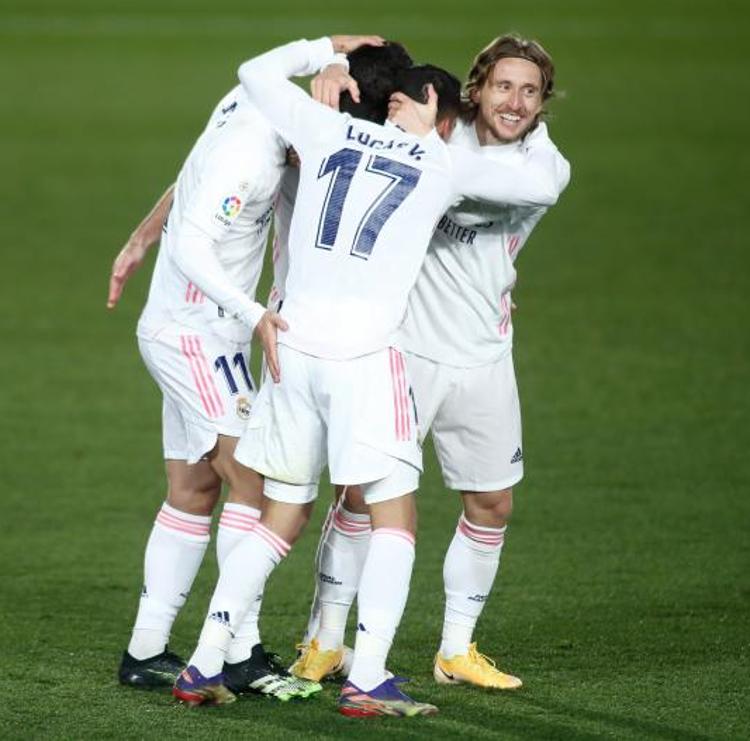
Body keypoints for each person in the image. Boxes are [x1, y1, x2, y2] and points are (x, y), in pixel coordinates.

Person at [173, 35, 566, 718]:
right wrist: (427, 136)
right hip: (365, 358)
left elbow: (252, 72)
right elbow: (528, 183)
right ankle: (370, 675)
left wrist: (321, 50)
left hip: (290, 349)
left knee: (281, 516)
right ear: (440, 109)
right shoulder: (443, 164)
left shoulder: (323, 132)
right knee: (396, 518)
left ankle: (203, 661)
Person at [293, 34, 571, 693]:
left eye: (530, 91)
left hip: (482, 353)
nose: (515, 101)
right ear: (477, 89)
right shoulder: (437, 121)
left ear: (542, 103)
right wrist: (333, 65)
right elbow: (371, 77)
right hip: (405, 346)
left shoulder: (544, 170)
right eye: (504, 86)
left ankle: (455, 649)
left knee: (491, 501)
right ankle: (324, 641)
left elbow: (459, 180)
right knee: (360, 494)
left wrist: (420, 142)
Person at [111, 75, 322, 700]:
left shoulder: (247, 102)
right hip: (196, 335)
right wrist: (254, 312)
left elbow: (192, 180)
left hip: (200, 332)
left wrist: (144, 231)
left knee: (194, 488)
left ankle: (145, 651)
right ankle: (240, 652)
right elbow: (199, 244)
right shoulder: (251, 158)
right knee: (253, 483)